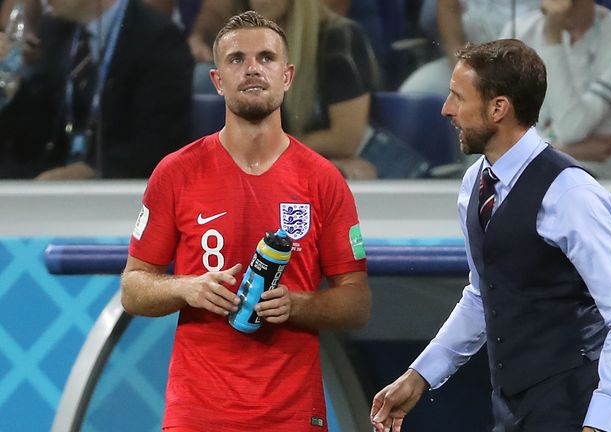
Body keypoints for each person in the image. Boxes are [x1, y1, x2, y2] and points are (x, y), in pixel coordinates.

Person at [370, 39, 611, 432]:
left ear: (498, 108)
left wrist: (602, 421)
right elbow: (483, 294)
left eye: (458, 97)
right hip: (510, 409)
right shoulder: (474, 183)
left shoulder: (570, 193)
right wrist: (420, 375)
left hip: (574, 409)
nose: (446, 109)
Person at [120, 11, 370, 431]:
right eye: (236, 59)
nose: (253, 68)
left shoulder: (324, 180)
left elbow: (357, 302)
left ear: (287, 76)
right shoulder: (175, 173)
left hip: (292, 413)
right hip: (198, 412)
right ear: (217, 80)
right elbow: (133, 287)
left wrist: (299, 304)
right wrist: (186, 287)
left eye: (266, 58)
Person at [0, 0, 193, 179]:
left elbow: (158, 143)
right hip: (51, 183)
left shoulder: (158, 37)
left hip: (122, 188)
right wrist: (11, 82)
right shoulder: (54, 30)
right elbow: (30, 135)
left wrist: (91, 171)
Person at [187, 0, 380, 179]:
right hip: (294, 161)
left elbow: (345, 139)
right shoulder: (251, 48)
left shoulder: (338, 36)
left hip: (365, 159)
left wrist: (265, 149)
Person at [498, 0, 611, 179]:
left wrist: (552, 38)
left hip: (591, 175)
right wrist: (561, 149)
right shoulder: (518, 31)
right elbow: (501, 131)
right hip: (524, 169)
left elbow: (571, 128)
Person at [399, 0, 538, 95]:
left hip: (529, 70)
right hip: (472, 63)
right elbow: (450, 20)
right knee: (417, 89)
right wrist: (465, 73)